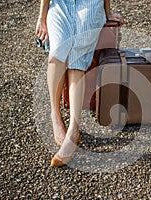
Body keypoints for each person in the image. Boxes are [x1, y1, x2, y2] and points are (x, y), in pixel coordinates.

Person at [35, 0, 123, 167]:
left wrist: (108, 12)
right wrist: (42, 17)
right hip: (60, 4)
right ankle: (55, 115)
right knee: (57, 52)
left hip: (90, 5)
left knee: (78, 58)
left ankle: (74, 129)